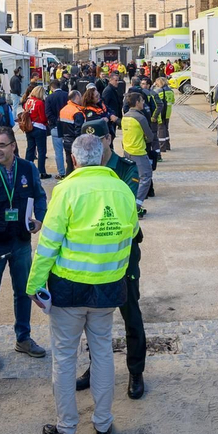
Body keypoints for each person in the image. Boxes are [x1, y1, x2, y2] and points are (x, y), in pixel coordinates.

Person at [30, 132, 139, 434]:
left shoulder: (66, 190)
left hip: (69, 289)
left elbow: (48, 244)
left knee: (65, 358)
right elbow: (132, 232)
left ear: (74, 159)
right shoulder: (122, 190)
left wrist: (34, 284)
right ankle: (103, 425)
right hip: (108, 287)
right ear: (102, 157)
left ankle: (67, 429)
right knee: (102, 352)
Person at [75, 118, 149, 399]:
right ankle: (95, 367)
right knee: (93, 318)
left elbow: (122, 207)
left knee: (131, 314)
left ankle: (136, 371)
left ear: (108, 139)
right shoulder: (83, 169)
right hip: (93, 256)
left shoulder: (126, 168)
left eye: (97, 140)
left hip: (123, 255)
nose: (91, 146)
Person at [0, 127, 49, 368]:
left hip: (20, 241)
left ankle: (23, 338)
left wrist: (40, 218)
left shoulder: (27, 168)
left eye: (1, 145)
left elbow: (40, 195)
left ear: (13, 146)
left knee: (23, 291)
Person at [120, 91, 158, 207]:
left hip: (127, 150)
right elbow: (150, 137)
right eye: (142, 101)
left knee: (132, 177)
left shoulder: (125, 117)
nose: (143, 103)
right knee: (146, 177)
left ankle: (129, 200)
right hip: (139, 152)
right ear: (137, 102)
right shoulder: (140, 118)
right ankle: (136, 205)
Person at [23, 85, 51, 178]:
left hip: (29, 127)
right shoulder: (40, 103)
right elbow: (43, 118)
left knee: (30, 149)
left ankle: (27, 170)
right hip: (39, 127)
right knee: (41, 151)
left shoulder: (28, 101)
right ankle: (41, 172)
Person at [47, 81, 70, 178]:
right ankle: (71, 170)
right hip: (67, 125)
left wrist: (56, 121)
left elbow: (48, 113)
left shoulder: (49, 98)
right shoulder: (67, 95)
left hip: (55, 126)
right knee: (70, 150)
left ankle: (61, 172)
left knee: (58, 151)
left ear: (51, 88)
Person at [157, 75, 175, 152]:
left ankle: (162, 147)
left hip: (161, 113)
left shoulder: (159, 91)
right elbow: (173, 101)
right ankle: (167, 145)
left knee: (161, 129)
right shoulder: (171, 91)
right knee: (166, 128)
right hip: (168, 112)